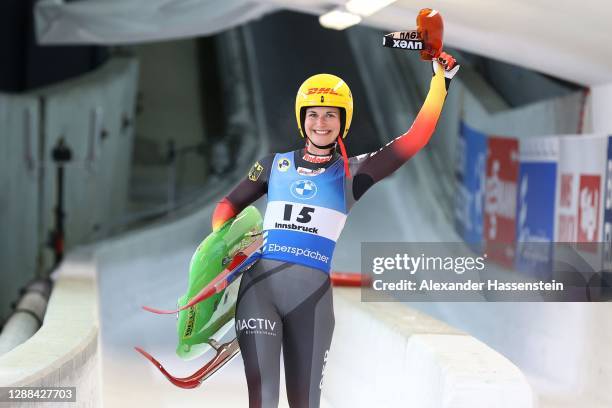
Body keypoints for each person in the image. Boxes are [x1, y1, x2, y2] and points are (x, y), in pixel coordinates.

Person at [211, 52, 459, 408]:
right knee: (262, 400)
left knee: (305, 403)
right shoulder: (272, 165)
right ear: (302, 119)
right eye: (313, 114)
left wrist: (441, 81)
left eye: (330, 114)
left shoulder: (352, 175)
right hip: (258, 292)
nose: (321, 122)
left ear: (343, 121)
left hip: (309, 301)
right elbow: (226, 207)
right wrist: (225, 242)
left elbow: (414, 138)